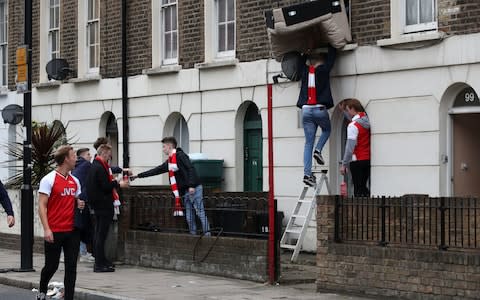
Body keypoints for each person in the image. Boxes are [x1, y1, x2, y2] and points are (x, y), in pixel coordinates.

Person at [131, 137, 210, 236]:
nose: (163, 149)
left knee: (200, 213)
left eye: (164, 146)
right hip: (186, 191)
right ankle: (193, 236)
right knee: (189, 217)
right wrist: (138, 176)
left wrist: (191, 185)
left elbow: (191, 169)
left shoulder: (180, 156)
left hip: (194, 188)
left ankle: (208, 236)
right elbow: (157, 170)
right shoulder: (170, 162)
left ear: (169, 146)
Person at [37, 145, 85, 300]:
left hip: (72, 230)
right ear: (66, 159)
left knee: (71, 267)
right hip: (54, 230)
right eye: (73, 156)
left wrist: (79, 203)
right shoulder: (48, 179)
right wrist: (46, 229)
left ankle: (69, 297)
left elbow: (77, 199)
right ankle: (42, 291)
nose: (76, 159)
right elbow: (42, 206)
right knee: (52, 266)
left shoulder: (75, 181)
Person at [297, 45, 336, 187]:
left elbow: (300, 62)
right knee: (327, 130)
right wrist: (331, 45)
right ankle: (318, 150)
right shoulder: (324, 70)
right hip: (319, 108)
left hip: (306, 110)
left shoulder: (305, 71)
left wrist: (306, 53)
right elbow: (332, 56)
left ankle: (307, 175)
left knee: (308, 143)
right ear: (322, 61)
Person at [86, 144, 128, 272]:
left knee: (100, 234)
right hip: (103, 205)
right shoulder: (99, 167)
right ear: (103, 153)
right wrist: (118, 183)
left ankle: (102, 260)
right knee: (101, 235)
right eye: (109, 154)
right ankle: (99, 264)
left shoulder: (97, 165)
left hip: (99, 205)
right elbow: (105, 186)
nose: (110, 157)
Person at [340, 98, 371, 197]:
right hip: (367, 159)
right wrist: (343, 111)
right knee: (363, 187)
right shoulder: (366, 120)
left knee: (358, 189)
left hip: (357, 160)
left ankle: (360, 212)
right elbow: (354, 121)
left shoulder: (352, 126)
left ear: (353, 109)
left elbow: (350, 147)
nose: (348, 112)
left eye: (348, 110)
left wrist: (344, 164)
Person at [71, 148, 95, 263]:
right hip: (81, 199)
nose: (90, 156)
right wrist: (119, 169)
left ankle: (80, 252)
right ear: (83, 156)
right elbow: (102, 170)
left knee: (78, 226)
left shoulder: (76, 166)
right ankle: (83, 253)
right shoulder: (86, 165)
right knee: (82, 226)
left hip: (76, 198)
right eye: (88, 154)